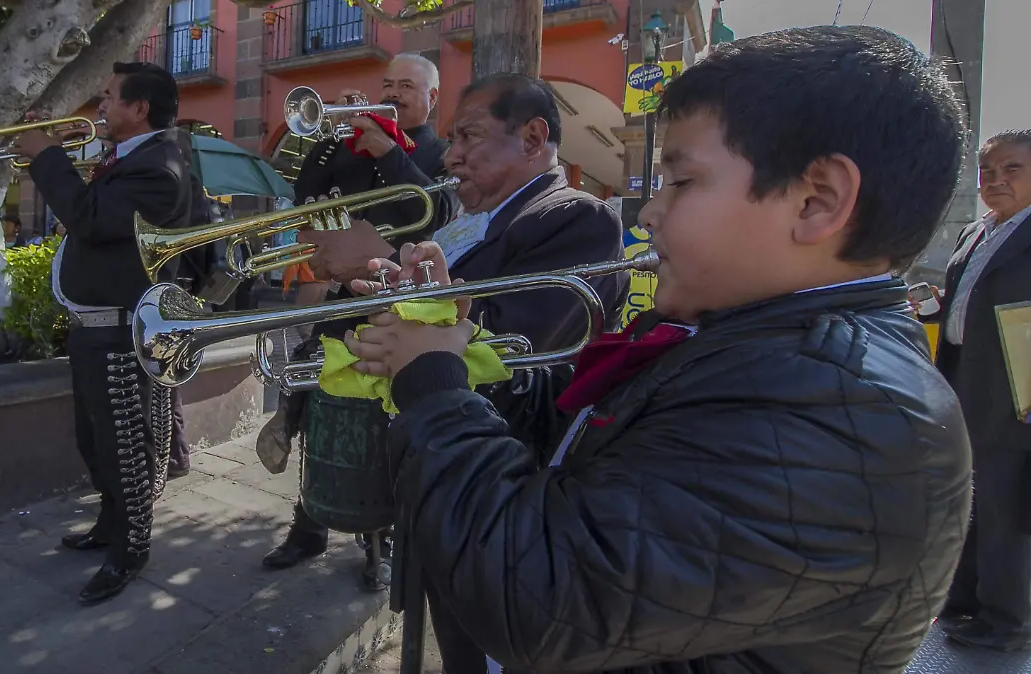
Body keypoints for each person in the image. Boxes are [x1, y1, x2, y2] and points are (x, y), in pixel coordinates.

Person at [341, 26, 971, 673]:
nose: (649, 215)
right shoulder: (757, 341)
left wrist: (436, 386)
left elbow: (537, 597)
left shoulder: (844, 411)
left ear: (818, 201)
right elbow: (585, 431)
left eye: (683, 181)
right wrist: (462, 349)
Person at [303, 72, 630, 671]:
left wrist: (378, 274)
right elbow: (429, 314)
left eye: (469, 137)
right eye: (450, 138)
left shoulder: (575, 217)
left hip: (505, 480)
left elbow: (503, 348)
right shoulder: (465, 220)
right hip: (445, 466)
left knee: (479, 650)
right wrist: (374, 280)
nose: (450, 155)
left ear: (533, 138)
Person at [255, 52, 455, 590]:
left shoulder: (440, 152)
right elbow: (307, 200)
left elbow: (437, 213)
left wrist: (390, 153)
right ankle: (308, 524)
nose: (392, 92)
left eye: (406, 86)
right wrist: (332, 138)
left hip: (405, 308)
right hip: (344, 297)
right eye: (386, 83)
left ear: (431, 98)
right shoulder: (348, 145)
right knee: (318, 396)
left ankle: (381, 542)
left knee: (385, 423)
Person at [14, 61, 196, 605]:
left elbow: (91, 218)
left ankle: (130, 549)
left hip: (121, 332)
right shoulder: (133, 158)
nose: (100, 105)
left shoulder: (159, 167)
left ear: (140, 108)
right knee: (95, 440)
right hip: (95, 328)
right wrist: (54, 153)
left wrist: (45, 154)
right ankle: (108, 523)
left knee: (125, 450)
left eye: (110, 96)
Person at [920, 129, 1031, 651]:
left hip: (1018, 389)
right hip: (967, 377)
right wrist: (934, 306)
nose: (996, 181)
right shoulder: (978, 232)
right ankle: (964, 602)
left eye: (1012, 170)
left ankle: (1008, 621)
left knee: (1007, 505)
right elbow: (969, 297)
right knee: (970, 496)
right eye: (988, 171)